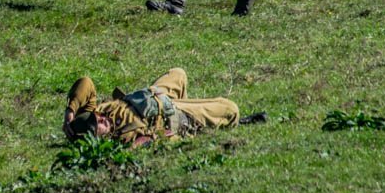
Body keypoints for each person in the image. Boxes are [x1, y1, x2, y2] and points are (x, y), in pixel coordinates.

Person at [62, 67, 263, 145]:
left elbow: (86, 83)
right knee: (231, 110)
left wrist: (70, 112)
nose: (101, 118)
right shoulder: (122, 141)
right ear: (95, 139)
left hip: (155, 95)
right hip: (172, 115)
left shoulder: (92, 115)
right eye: (98, 124)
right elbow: (155, 140)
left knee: (179, 73)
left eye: (97, 117)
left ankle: (200, 115)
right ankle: (198, 120)